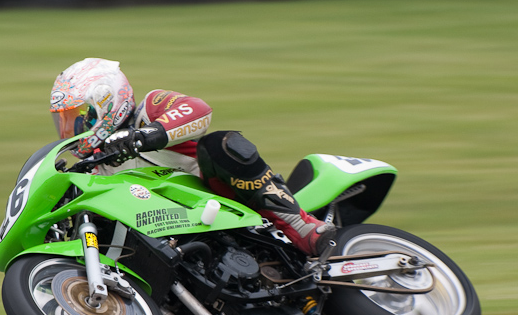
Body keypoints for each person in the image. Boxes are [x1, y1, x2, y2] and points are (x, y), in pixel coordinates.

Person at [49, 58, 336, 256]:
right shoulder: (95, 168)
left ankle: (301, 225)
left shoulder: (149, 110)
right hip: (172, 231)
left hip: (222, 203)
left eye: (78, 117)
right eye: (65, 121)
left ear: (106, 101)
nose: (71, 129)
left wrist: (144, 136)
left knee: (220, 144)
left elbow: (198, 109)